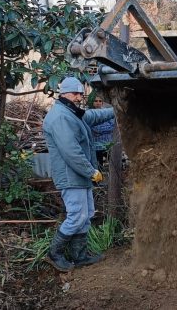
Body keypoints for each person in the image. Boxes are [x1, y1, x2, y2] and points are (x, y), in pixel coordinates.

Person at [43, 77, 115, 272]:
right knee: (77, 215)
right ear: (64, 94)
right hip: (71, 175)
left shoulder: (71, 113)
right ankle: (54, 254)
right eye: (75, 94)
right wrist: (91, 171)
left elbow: (92, 116)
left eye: (81, 94)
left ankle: (79, 255)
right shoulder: (60, 117)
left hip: (79, 176)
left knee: (86, 214)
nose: (79, 97)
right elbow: (71, 151)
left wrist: (117, 111)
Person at [90, 94, 115, 169]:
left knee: (113, 166)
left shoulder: (107, 112)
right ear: (92, 102)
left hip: (108, 144)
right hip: (96, 146)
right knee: (98, 167)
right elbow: (92, 128)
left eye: (100, 101)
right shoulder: (89, 114)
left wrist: (99, 130)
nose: (98, 103)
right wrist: (103, 129)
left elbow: (112, 127)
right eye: (96, 101)